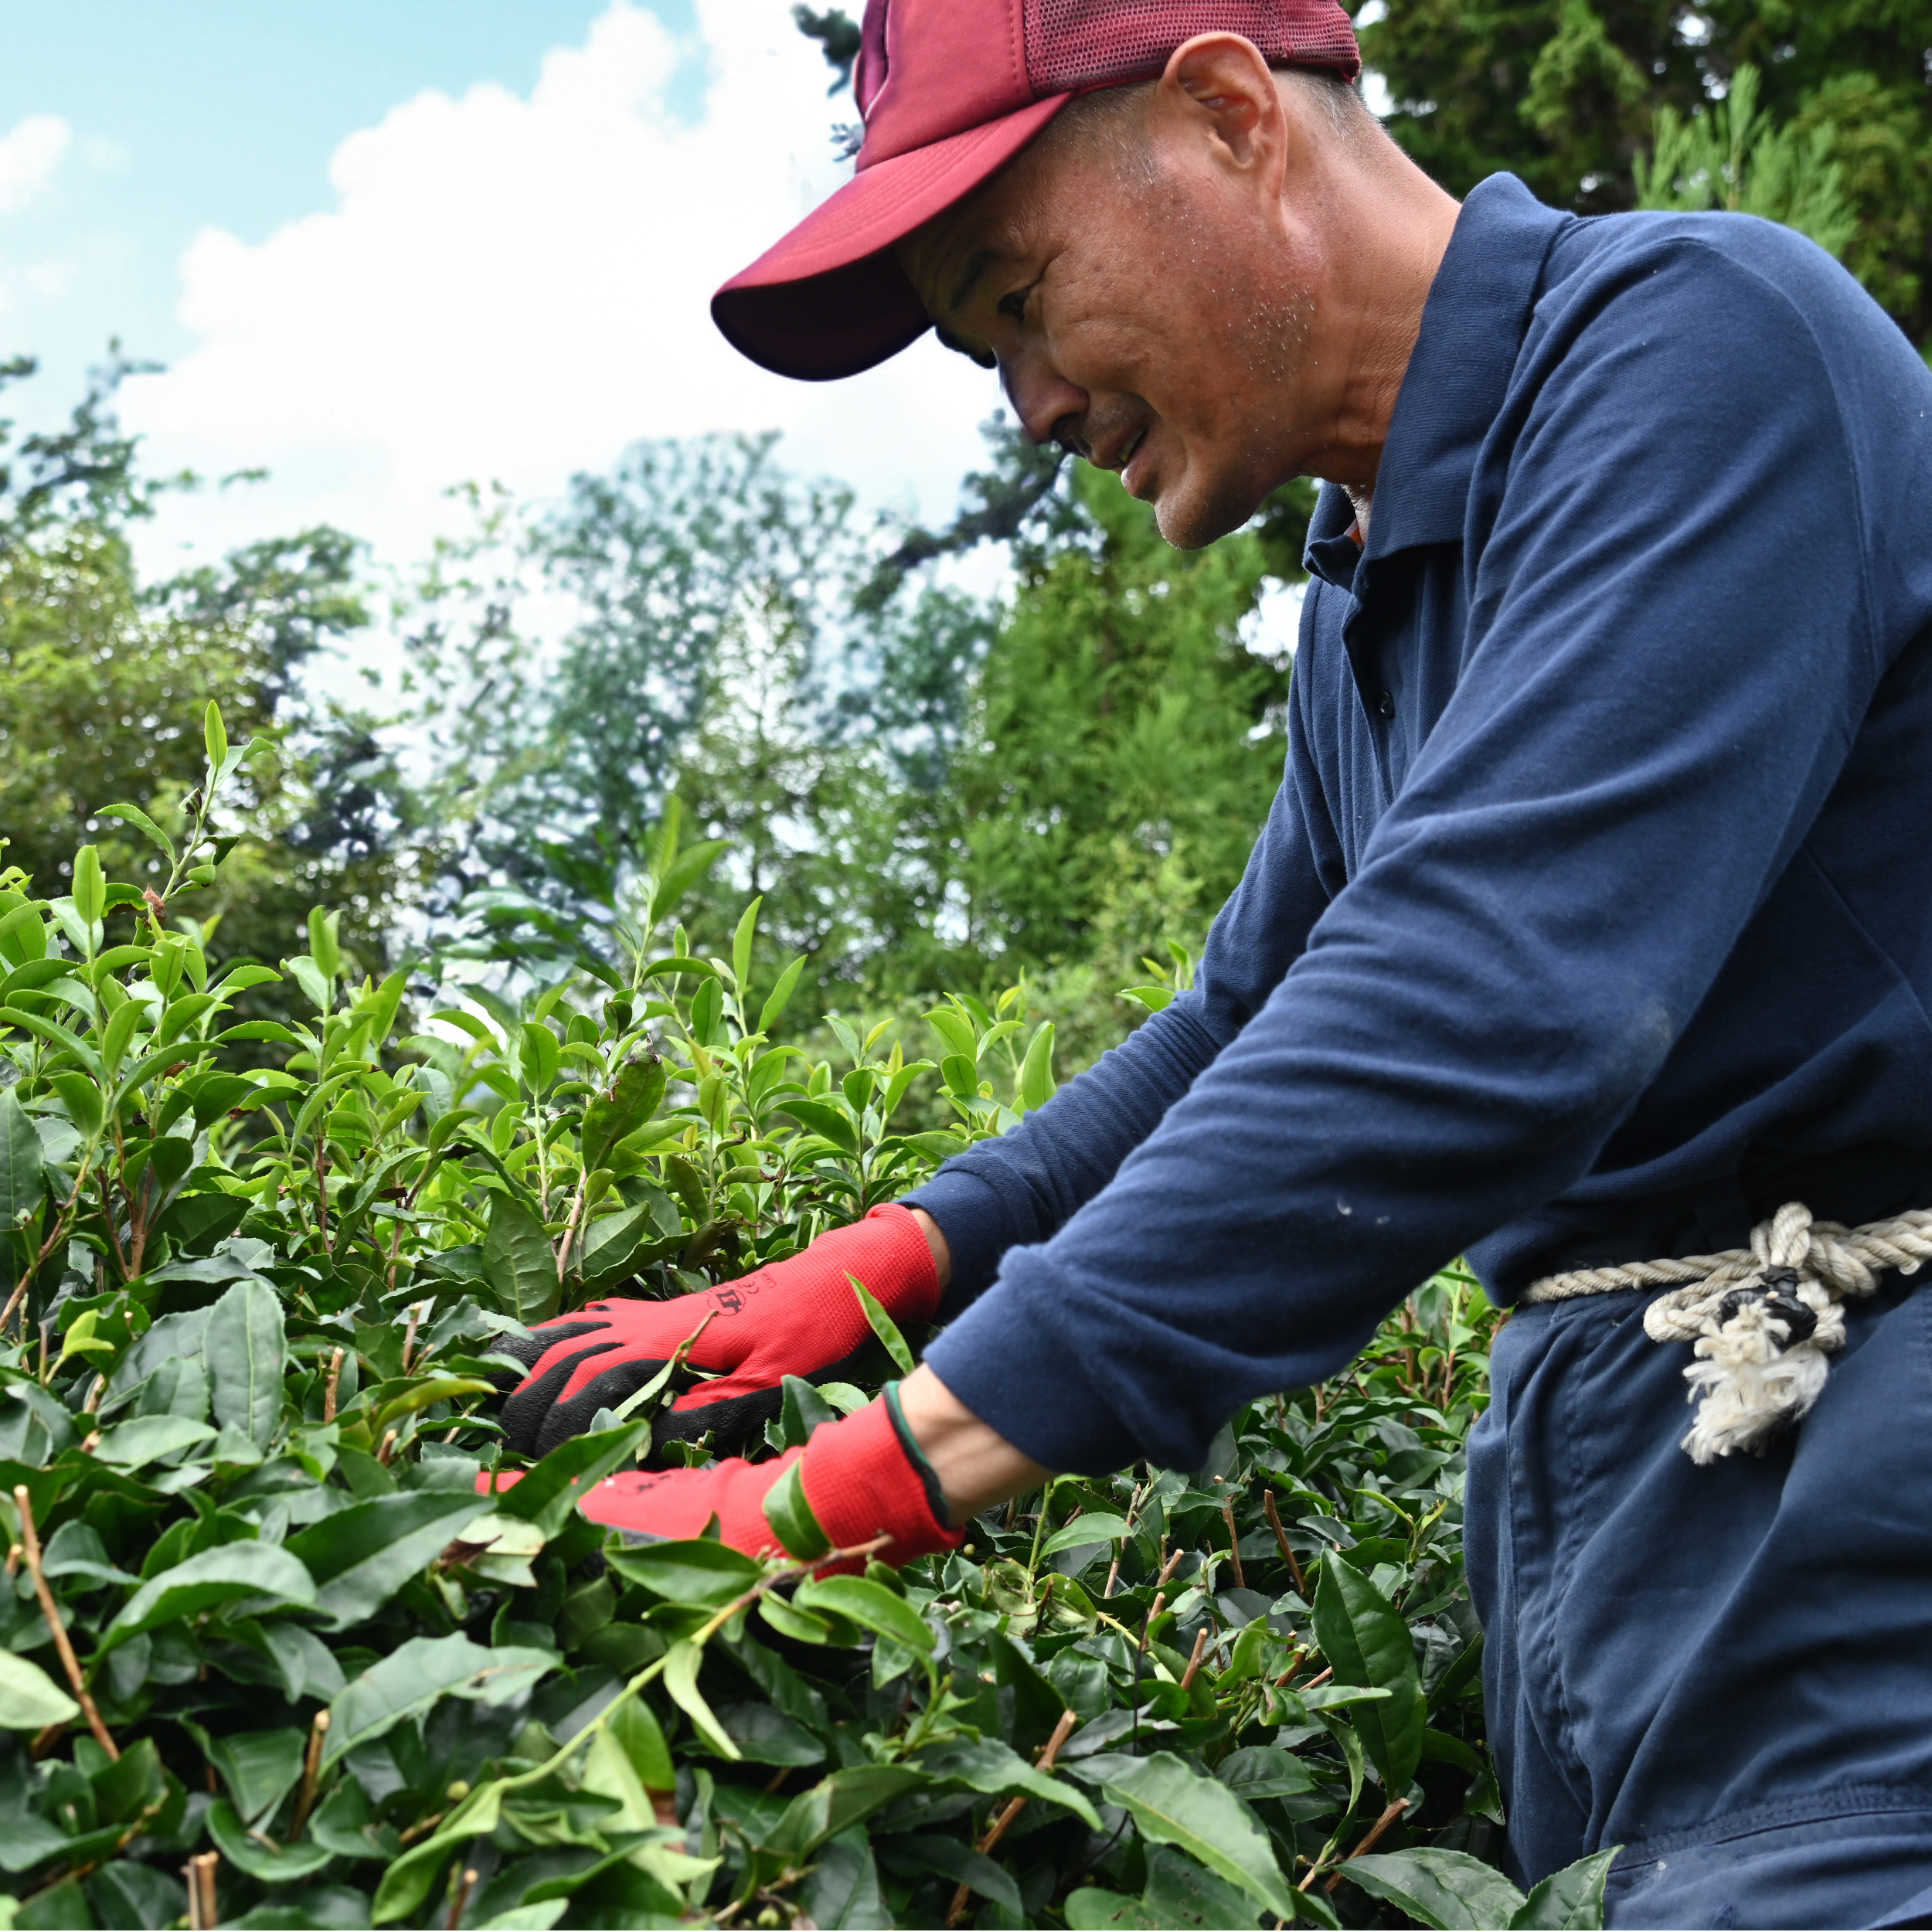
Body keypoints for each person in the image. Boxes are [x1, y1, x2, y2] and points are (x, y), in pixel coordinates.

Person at [496, 1, 1932, 1923]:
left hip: (1860, 1515)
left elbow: (1480, 996)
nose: (1025, 406)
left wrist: (858, 1478)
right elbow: (1243, 1021)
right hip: (1623, 1559)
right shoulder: (1366, 598)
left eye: (1017, 298)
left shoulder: (1699, 346)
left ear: (1230, 113)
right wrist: (905, 1252)